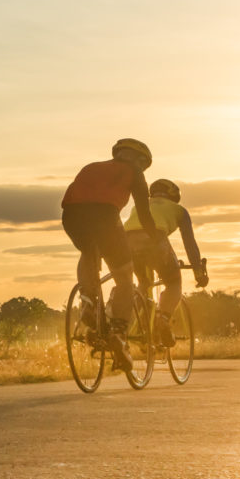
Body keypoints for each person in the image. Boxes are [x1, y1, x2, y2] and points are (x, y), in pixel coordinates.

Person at [61, 138, 162, 372]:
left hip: (71, 215)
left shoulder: (91, 167)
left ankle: (88, 300)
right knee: (125, 278)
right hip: (106, 216)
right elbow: (144, 213)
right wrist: (155, 239)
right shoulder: (134, 172)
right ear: (139, 160)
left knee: (88, 250)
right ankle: (118, 332)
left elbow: (74, 196)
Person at [124, 178, 209, 347]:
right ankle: (162, 320)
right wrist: (198, 272)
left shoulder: (139, 206)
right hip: (155, 240)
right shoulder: (179, 210)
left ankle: (127, 322)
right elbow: (189, 243)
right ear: (173, 195)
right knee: (173, 282)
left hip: (127, 241)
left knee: (144, 283)